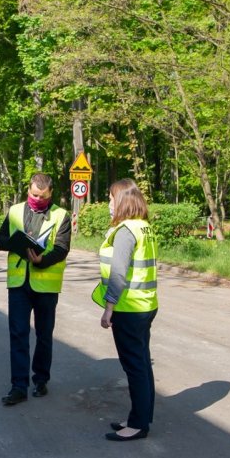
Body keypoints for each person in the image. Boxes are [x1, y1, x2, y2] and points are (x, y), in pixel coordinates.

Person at [0, 173, 72, 405]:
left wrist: (42, 260)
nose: (37, 199)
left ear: (51, 193)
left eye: (42, 196)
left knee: (44, 335)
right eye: (34, 194)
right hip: (19, 284)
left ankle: (41, 379)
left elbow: (62, 248)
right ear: (28, 189)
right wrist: (16, 243)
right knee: (18, 334)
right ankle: (19, 386)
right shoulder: (15, 211)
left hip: (46, 285)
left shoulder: (61, 215)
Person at [91, 179, 159, 442]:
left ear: (121, 201)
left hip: (129, 308)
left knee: (135, 367)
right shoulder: (144, 227)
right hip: (146, 304)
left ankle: (138, 425)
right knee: (142, 363)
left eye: (111, 198)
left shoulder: (126, 231)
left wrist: (109, 308)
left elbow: (118, 273)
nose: (109, 203)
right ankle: (139, 417)